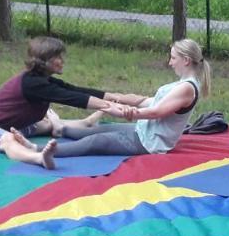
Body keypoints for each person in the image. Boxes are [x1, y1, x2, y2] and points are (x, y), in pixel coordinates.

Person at [0, 36, 132, 169]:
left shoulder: (42, 80)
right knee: (8, 140)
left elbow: (75, 90)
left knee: (47, 124)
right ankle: (38, 157)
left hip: (9, 124)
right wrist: (109, 107)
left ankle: (82, 123)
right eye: (58, 57)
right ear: (44, 60)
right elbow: (72, 98)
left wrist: (113, 97)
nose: (62, 60)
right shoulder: (32, 84)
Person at [50, 40, 211, 159]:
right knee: (100, 130)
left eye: (173, 58)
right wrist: (119, 98)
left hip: (149, 143)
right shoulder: (182, 84)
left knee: (96, 141)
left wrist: (125, 113)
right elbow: (149, 101)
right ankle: (60, 129)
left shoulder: (187, 88)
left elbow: (156, 112)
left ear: (186, 60)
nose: (170, 62)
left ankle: (39, 151)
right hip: (143, 131)